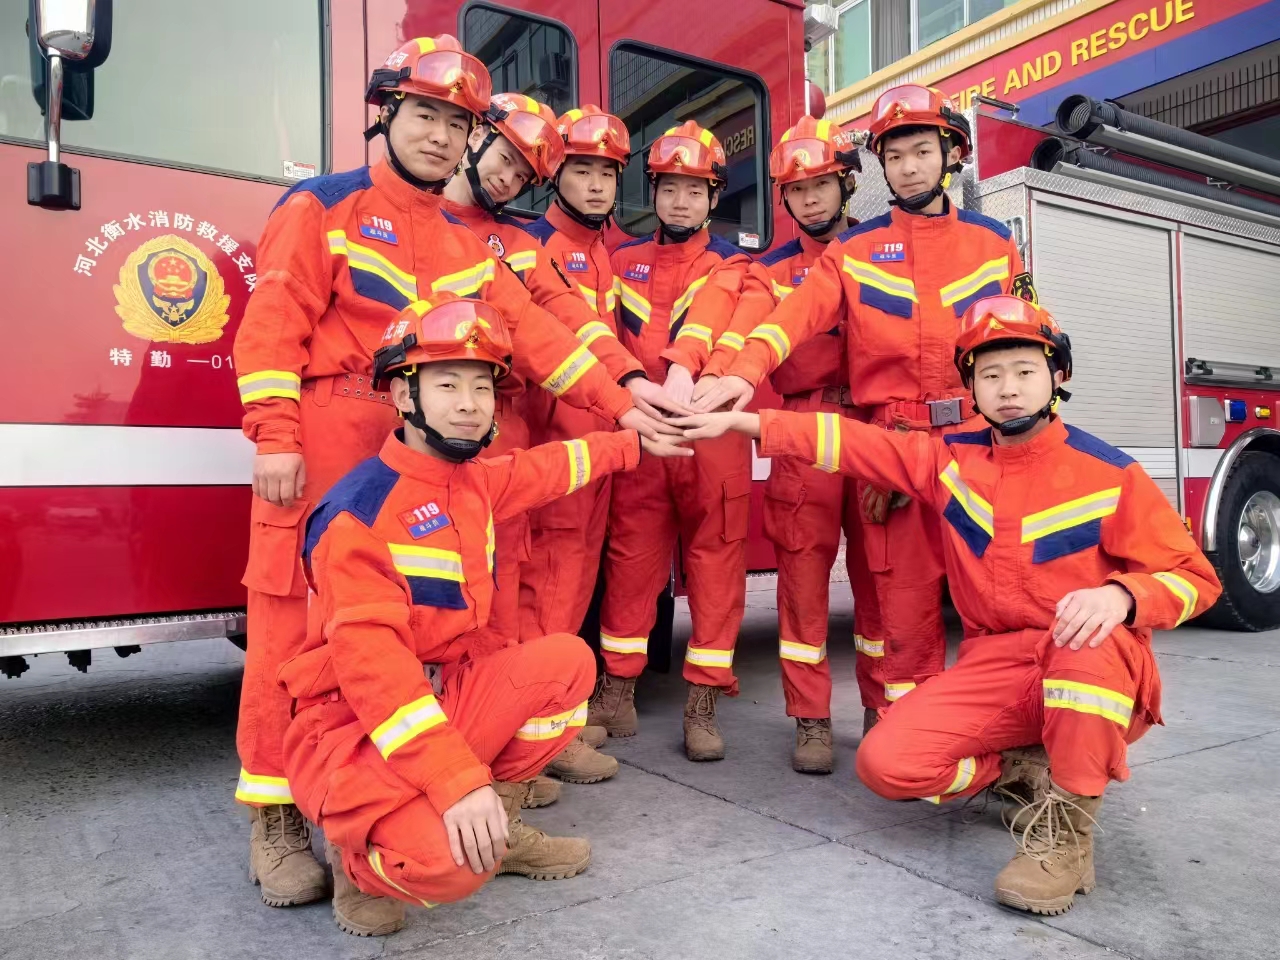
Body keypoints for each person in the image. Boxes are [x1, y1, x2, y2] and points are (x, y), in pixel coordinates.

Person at [231, 35, 675, 909]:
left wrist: (627, 403)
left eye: (456, 123)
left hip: (428, 453)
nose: (439, 136)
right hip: (327, 442)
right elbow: (274, 320)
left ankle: (454, 806)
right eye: (425, 114)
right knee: (292, 635)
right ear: (388, 114)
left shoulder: (471, 248)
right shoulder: (323, 206)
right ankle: (277, 816)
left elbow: (541, 340)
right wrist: (275, 434)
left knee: (445, 628)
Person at [677, 294, 1221, 915]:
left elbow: (1195, 578)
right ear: (971, 388)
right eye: (990, 375)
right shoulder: (951, 461)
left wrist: (1122, 594)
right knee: (887, 764)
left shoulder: (1111, 474)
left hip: (1089, 661)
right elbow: (852, 442)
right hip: (998, 662)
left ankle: (1066, 838)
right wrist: (742, 423)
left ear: (1058, 377)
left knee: (1084, 647)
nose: (1008, 388)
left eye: (1025, 371)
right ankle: (1018, 770)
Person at [280, 295, 680, 936]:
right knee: (451, 865)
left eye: (482, 387)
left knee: (567, 664)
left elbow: (553, 467)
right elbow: (378, 676)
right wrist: (456, 780)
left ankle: (500, 817)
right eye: (447, 385)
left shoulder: (471, 483)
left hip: (438, 703)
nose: (469, 404)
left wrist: (638, 442)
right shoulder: (359, 515)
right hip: (355, 728)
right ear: (404, 396)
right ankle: (358, 861)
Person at [696, 83, 1034, 715]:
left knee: (995, 594)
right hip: (893, 446)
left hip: (973, 445)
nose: (908, 167)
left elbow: (1025, 347)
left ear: (951, 154)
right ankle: (905, 728)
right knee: (901, 603)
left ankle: (1003, 729)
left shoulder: (995, 245)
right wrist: (742, 374)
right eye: (895, 155)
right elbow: (789, 320)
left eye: (921, 151)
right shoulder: (853, 252)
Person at [439, 93, 670, 789]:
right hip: (470, 436)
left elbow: (568, 324)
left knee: (539, 588)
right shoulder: (427, 224)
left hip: (543, 433)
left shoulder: (527, 247)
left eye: (522, 172)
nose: (509, 178)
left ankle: (533, 737)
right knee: (487, 598)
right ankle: (488, 749)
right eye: (507, 160)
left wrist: (629, 386)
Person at [700, 116, 883, 774]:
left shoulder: (882, 250)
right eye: (797, 190)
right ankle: (811, 718)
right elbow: (742, 333)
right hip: (803, 427)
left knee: (881, 578)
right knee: (803, 580)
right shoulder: (769, 270)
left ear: (845, 185)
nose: (809, 200)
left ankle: (882, 708)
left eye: (820, 185)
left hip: (874, 425)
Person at [587, 121, 756, 762]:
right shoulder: (619, 262)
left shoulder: (735, 266)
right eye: (669, 188)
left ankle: (703, 702)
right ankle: (617, 692)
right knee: (630, 562)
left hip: (711, 438)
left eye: (694, 190)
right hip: (644, 436)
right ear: (652, 192)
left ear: (713, 197)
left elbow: (726, 329)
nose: (680, 201)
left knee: (716, 570)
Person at [517, 106, 656, 650]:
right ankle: (540, 697)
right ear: (555, 173)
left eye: (607, 173)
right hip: (555, 438)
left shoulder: (602, 252)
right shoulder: (533, 246)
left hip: (603, 434)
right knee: (551, 572)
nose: (597, 186)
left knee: (579, 573)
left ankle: (559, 691)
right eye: (582, 171)